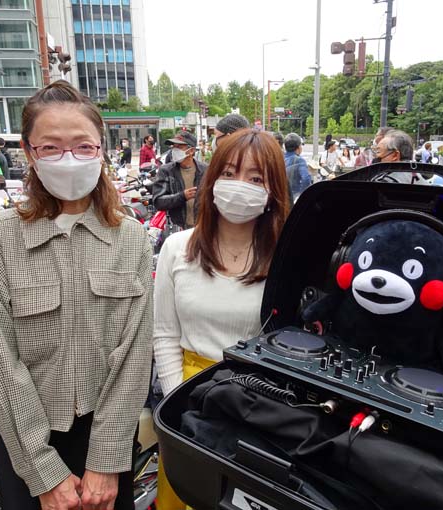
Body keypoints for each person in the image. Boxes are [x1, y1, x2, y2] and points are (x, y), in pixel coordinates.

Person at [0, 80, 153, 510]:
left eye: (82, 146)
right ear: (30, 154)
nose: (69, 159)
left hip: (105, 436)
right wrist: (42, 471)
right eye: (51, 147)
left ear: (101, 150)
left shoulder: (131, 240)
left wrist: (106, 461)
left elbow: (134, 355)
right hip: (26, 437)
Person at [153, 128, 290, 509]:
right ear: (212, 180)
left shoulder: (286, 261)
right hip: (187, 398)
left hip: (258, 408)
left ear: (272, 191)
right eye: (228, 173)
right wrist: (177, 405)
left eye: (256, 178)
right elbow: (164, 334)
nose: (238, 185)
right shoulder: (177, 249)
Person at [152, 131, 207, 230]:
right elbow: (158, 202)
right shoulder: (166, 171)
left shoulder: (205, 170)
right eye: (174, 146)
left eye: (179, 147)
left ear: (191, 151)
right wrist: (182, 196)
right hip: (178, 229)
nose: (174, 150)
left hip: (202, 228)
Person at [284, 132, 311, 202]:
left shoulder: (280, 158)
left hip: (281, 197)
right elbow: (306, 179)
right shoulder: (300, 160)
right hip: (294, 197)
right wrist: (301, 194)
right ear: (299, 147)